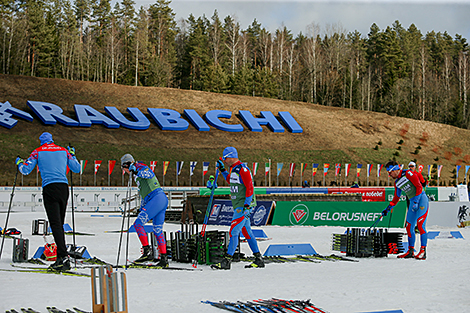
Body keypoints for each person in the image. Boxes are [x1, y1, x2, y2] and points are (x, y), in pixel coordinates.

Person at [16, 132, 80, 271]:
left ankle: (63, 258)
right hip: (63, 188)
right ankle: (60, 257)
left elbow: (26, 170)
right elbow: (77, 168)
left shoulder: (37, 152)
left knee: (55, 224)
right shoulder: (63, 150)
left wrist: (19, 163)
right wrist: (72, 154)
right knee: (59, 225)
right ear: (52, 140)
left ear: (41, 142)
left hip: (50, 188)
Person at [211, 147, 265, 269]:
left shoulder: (243, 170)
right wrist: (223, 170)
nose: (225, 160)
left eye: (225, 158)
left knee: (234, 231)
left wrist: (246, 205)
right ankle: (258, 259)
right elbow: (231, 181)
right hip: (239, 205)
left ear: (231, 157)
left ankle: (227, 261)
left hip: (243, 206)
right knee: (246, 232)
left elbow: (250, 187)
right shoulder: (234, 169)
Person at [121, 154, 169, 267]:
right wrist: (142, 207)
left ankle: (147, 252)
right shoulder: (135, 174)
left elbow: (149, 174)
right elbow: (143, 193)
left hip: (156, 197)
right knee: (157, 230)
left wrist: (136, 171)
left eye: (124, 168)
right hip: (158, 199)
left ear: (127, 165)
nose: (125, 171)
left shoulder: (139, 166)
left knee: (138, 224)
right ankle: (164, 258)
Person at [382, 160, 429, 260]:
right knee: (409, 227)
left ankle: (423, 250)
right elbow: (396, 198)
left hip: (421, 200)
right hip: (413, 202)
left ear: (394, 170)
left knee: (420, 225)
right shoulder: (397, 182)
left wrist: (416, 201)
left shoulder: (407, 173)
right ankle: (410, 251)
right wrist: (388, 208)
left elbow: (419, 186)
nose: (390, 175)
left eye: (390, 173)